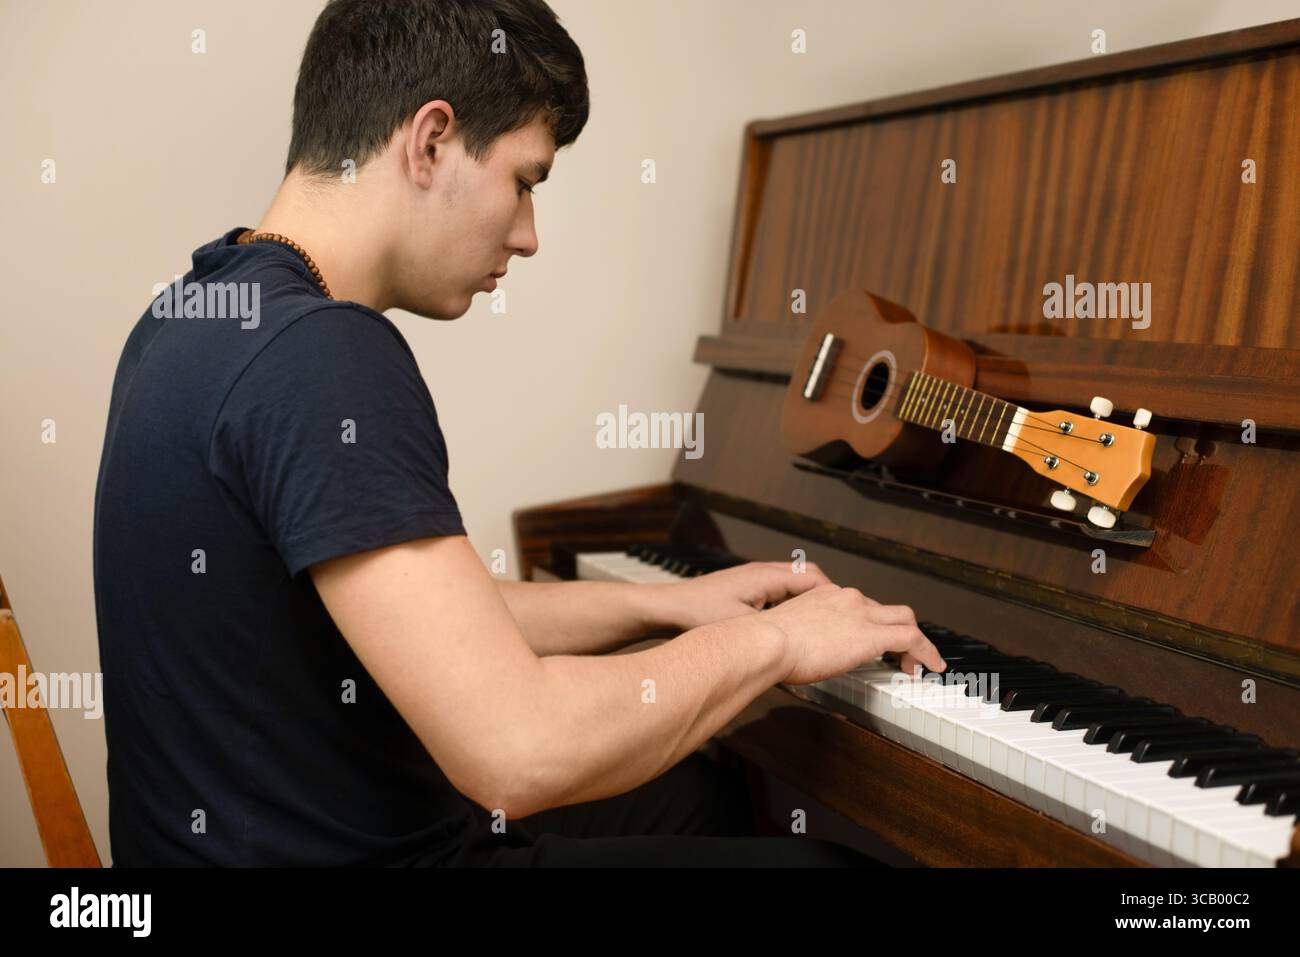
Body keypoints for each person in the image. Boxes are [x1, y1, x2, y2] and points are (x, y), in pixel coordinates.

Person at [92, 0, 945, 867]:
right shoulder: (322, 356)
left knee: (698, 796)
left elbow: (422, 620)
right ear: (430, 141)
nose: (529, 236)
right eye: (525, 181)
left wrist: (660, 605)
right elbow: (519, 750)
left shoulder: (192, 310)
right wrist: (780, 640)